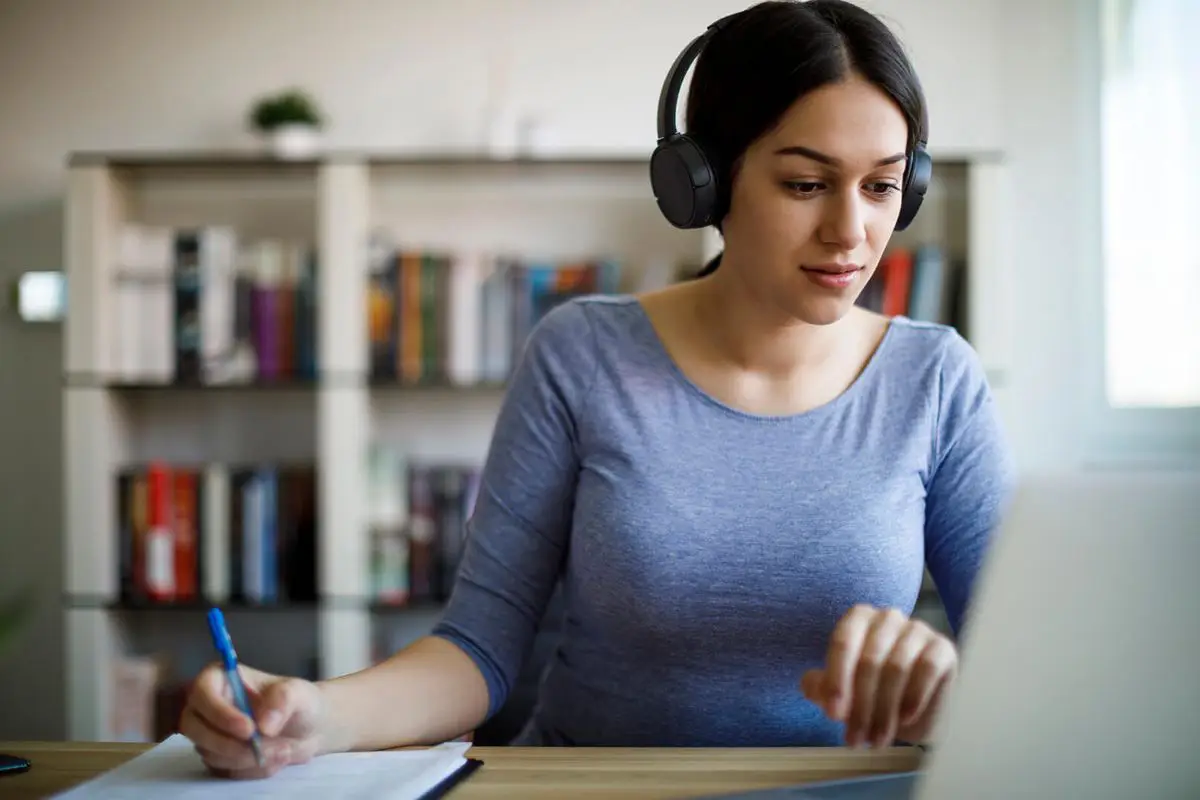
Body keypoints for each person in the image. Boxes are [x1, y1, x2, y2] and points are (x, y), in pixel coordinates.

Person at [179, 0, 1017, 778]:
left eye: (881, 186)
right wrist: (315, 713)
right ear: (706, 183)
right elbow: (478, 649)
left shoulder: (936, 380)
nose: (851, 231)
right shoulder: (582, 354)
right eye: (805, 183)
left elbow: (1027, 669)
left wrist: (956, 688)